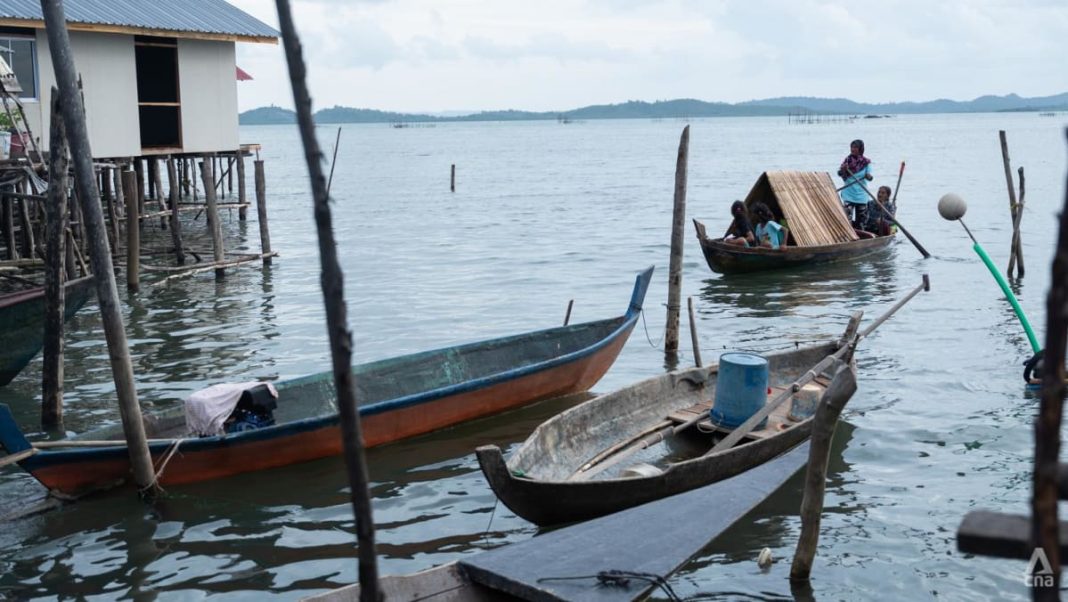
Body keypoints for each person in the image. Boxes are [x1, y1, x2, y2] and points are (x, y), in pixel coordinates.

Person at [838, 139, 873, 230]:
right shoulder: (847, 161)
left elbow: (870, 178)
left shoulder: (866, 162)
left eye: (855, 147)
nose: (853, 149)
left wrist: (868, 176)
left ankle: (860, 238)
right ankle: (848, 236)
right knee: (847, 219)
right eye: (852, 147)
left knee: (861, 222)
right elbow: (840, 173)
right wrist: (843, 170)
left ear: (860, 149)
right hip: (848, 194)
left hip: (861, 194)